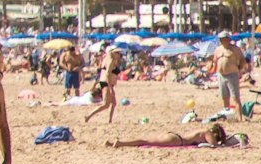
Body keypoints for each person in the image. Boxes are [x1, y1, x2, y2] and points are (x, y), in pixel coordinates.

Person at [107, 123, 244, 148]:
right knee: (145, 141)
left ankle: (117, 142)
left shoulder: (203, 130)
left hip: (175, 136)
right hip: (177, 140)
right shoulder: (207, 132)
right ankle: (120, 143)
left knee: (146, 140)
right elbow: (213, 145)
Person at [84, 48, 121, 124]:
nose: (119, 54)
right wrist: (110, 88)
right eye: (117, 53)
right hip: (107, 83)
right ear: (112, 53)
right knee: (105, 104)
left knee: (113, 103)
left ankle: (110, 120)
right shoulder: (110, 61)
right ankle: (88, 116)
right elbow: (107, 74)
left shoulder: (107, 59)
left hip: (106, 83)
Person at [217, 34, 248, 117]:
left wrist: (240, 70)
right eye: (220, 39)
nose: (221, 41)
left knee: (235, 98)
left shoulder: (235, 49)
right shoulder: (218, 49)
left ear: (228, 39)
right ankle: (226, 115)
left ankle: (239, 117)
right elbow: (214, 60)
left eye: (223, 39)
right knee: (224, 97)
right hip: (221, 75)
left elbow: (242, 61)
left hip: (232, 75)